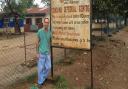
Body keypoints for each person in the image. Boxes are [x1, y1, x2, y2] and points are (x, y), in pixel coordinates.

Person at [36, 18, 51, 88]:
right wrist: (37, 53)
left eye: (47, 22)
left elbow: (49, 42)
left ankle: (43, 78)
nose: (46, 24)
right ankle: (40, 82)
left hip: (47, 53)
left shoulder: (50, 32)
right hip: (41, 53)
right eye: (45, 22)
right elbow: (37, 42)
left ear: (49, 24)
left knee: (48, 67)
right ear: (43, 23)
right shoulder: (39, 31)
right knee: (40, 68)